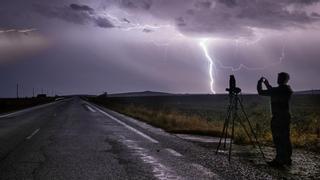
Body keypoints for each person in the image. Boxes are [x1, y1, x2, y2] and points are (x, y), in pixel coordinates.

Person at [257, 72, 293, 167]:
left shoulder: (277, 90)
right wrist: (267, 84)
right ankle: (287, 158)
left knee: (278, 138)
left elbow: (261, 92)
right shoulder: (287, 89)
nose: (277, 79)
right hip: (286, 116)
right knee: (286, 138)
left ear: (281, 79)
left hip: (278, 118)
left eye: (279, 77)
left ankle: (279, 160)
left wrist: (259, 83)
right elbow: (273, 91)